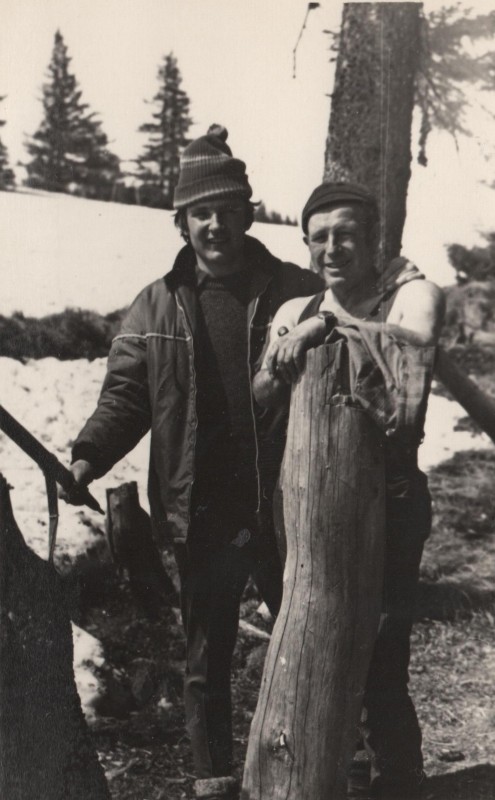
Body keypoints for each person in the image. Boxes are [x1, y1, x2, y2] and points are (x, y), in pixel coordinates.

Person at [65, 125, 322, 800]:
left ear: (246, 211)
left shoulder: (294, 289)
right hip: (200, 507)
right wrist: (89, 455)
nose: (214, 224)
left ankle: (332, 768)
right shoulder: (154, 303)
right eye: (199, 213)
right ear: (181, 221)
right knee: (203, 658)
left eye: (226, 210)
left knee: (308, 636)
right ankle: (215, 783)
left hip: (286, 497)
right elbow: (124, 397)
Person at [253, 182, 445, 800]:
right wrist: (294, 343)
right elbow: (260, 392)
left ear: (374, 240)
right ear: (306, 245)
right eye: (319, 236)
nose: (332, 247)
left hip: (388, 498)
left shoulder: (412, 296)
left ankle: (397, 781)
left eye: (346, 234)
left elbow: (407, 374)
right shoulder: (295, 309)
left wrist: (321, 332)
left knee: (381, 651)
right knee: (316, 635)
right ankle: (337, 772)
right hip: (310, 498)